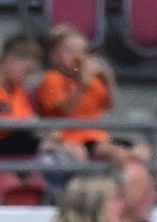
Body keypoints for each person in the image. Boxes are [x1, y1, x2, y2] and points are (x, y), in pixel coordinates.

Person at [33, 24, 113, 158]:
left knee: (141, 151)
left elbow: (110, 105)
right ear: (54, 56)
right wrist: (82, 84)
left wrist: (108, 79)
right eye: (71, 51)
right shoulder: (51, 79)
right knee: (81, 153)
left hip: (96, 136)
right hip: (67, 137)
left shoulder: (92, 80)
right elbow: (65, 110)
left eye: (82, 51)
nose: (78, 57)